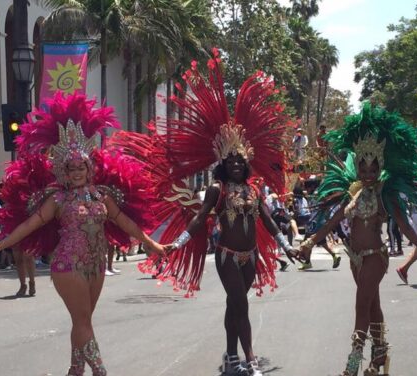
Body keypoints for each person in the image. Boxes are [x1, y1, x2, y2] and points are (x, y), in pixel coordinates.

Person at [113, 50, 300, 376]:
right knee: (240, 305)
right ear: (223, 164)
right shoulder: (217, 190)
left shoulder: (253, 190)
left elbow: (267, 219)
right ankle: (251, 359)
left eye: (241, 161)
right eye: (232, 161)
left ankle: (229, 357)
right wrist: (181, 241)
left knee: (234, 306)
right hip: (228, 257)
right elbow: (200, 218)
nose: (238, 165)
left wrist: (286, 246)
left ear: (247, 162)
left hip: (250, 256)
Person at [0, 93, 165, 376]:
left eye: (81, 167)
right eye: (71, 168)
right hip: (68, 264)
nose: (76, 172)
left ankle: (75, 370)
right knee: (83, 322)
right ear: (63, 170)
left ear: (90, 168)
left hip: (96, 263)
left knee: (83, 320)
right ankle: (100, 372)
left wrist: (151, 244)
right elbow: (29, 226)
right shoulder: (57, 199)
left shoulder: (102, 195)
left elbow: (123, 220)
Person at [298, 102, 417, 376]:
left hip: (374, 257)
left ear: (379, 168)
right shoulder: (351, 193)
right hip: (355, 259)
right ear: (357, 167)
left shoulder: (384, 194)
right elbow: (334, 221)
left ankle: (353, 363)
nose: (368, 175)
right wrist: (310, 242)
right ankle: (380, 356)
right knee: (373, 306)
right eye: (363, 169)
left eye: (373, 170)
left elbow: (403, 223)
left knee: (361, 306)